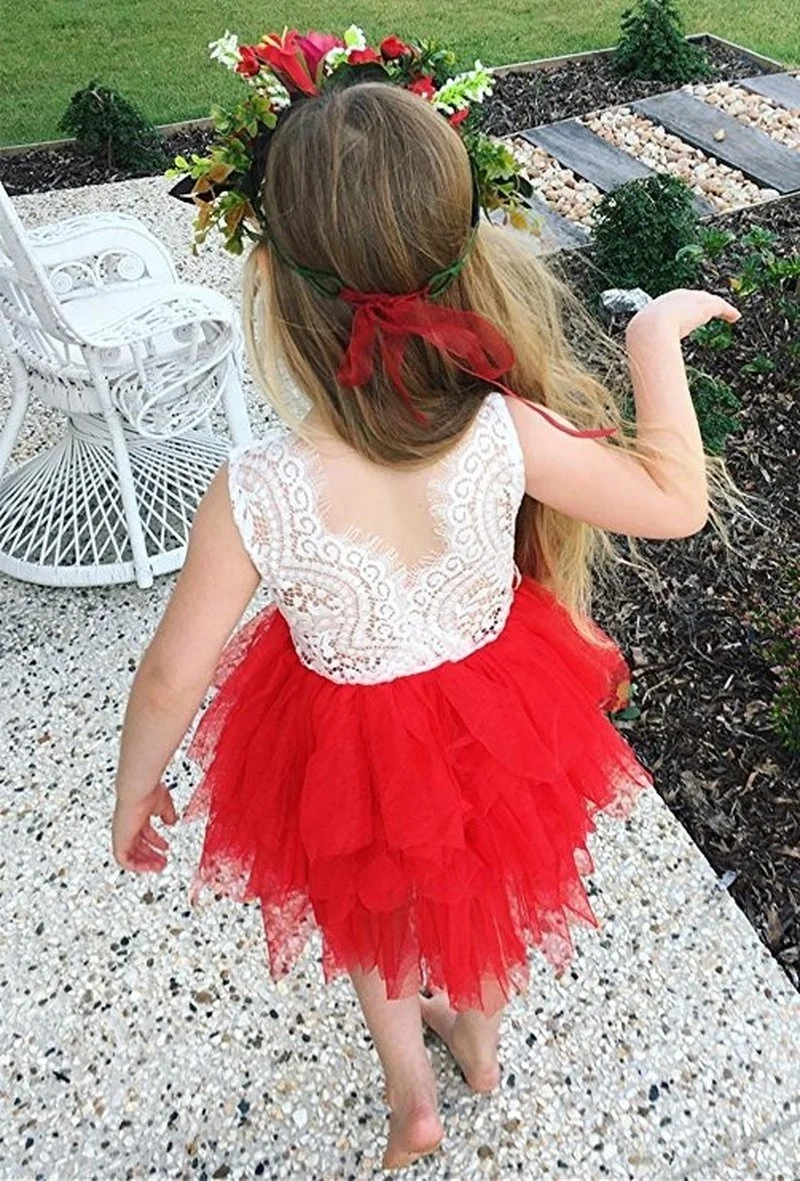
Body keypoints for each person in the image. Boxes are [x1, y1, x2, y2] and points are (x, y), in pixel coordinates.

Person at [112, 83, 741, 1170]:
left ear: (271, 280)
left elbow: (173, 674)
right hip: (496, 717)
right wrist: (650, 335)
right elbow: (675, 500)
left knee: (372, 916)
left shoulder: (252, 489)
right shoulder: (503, 428)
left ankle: (413, 1098)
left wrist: (137, 788)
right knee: (483, 895)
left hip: (340, 745)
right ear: (460, 260)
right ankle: (479, 1049)